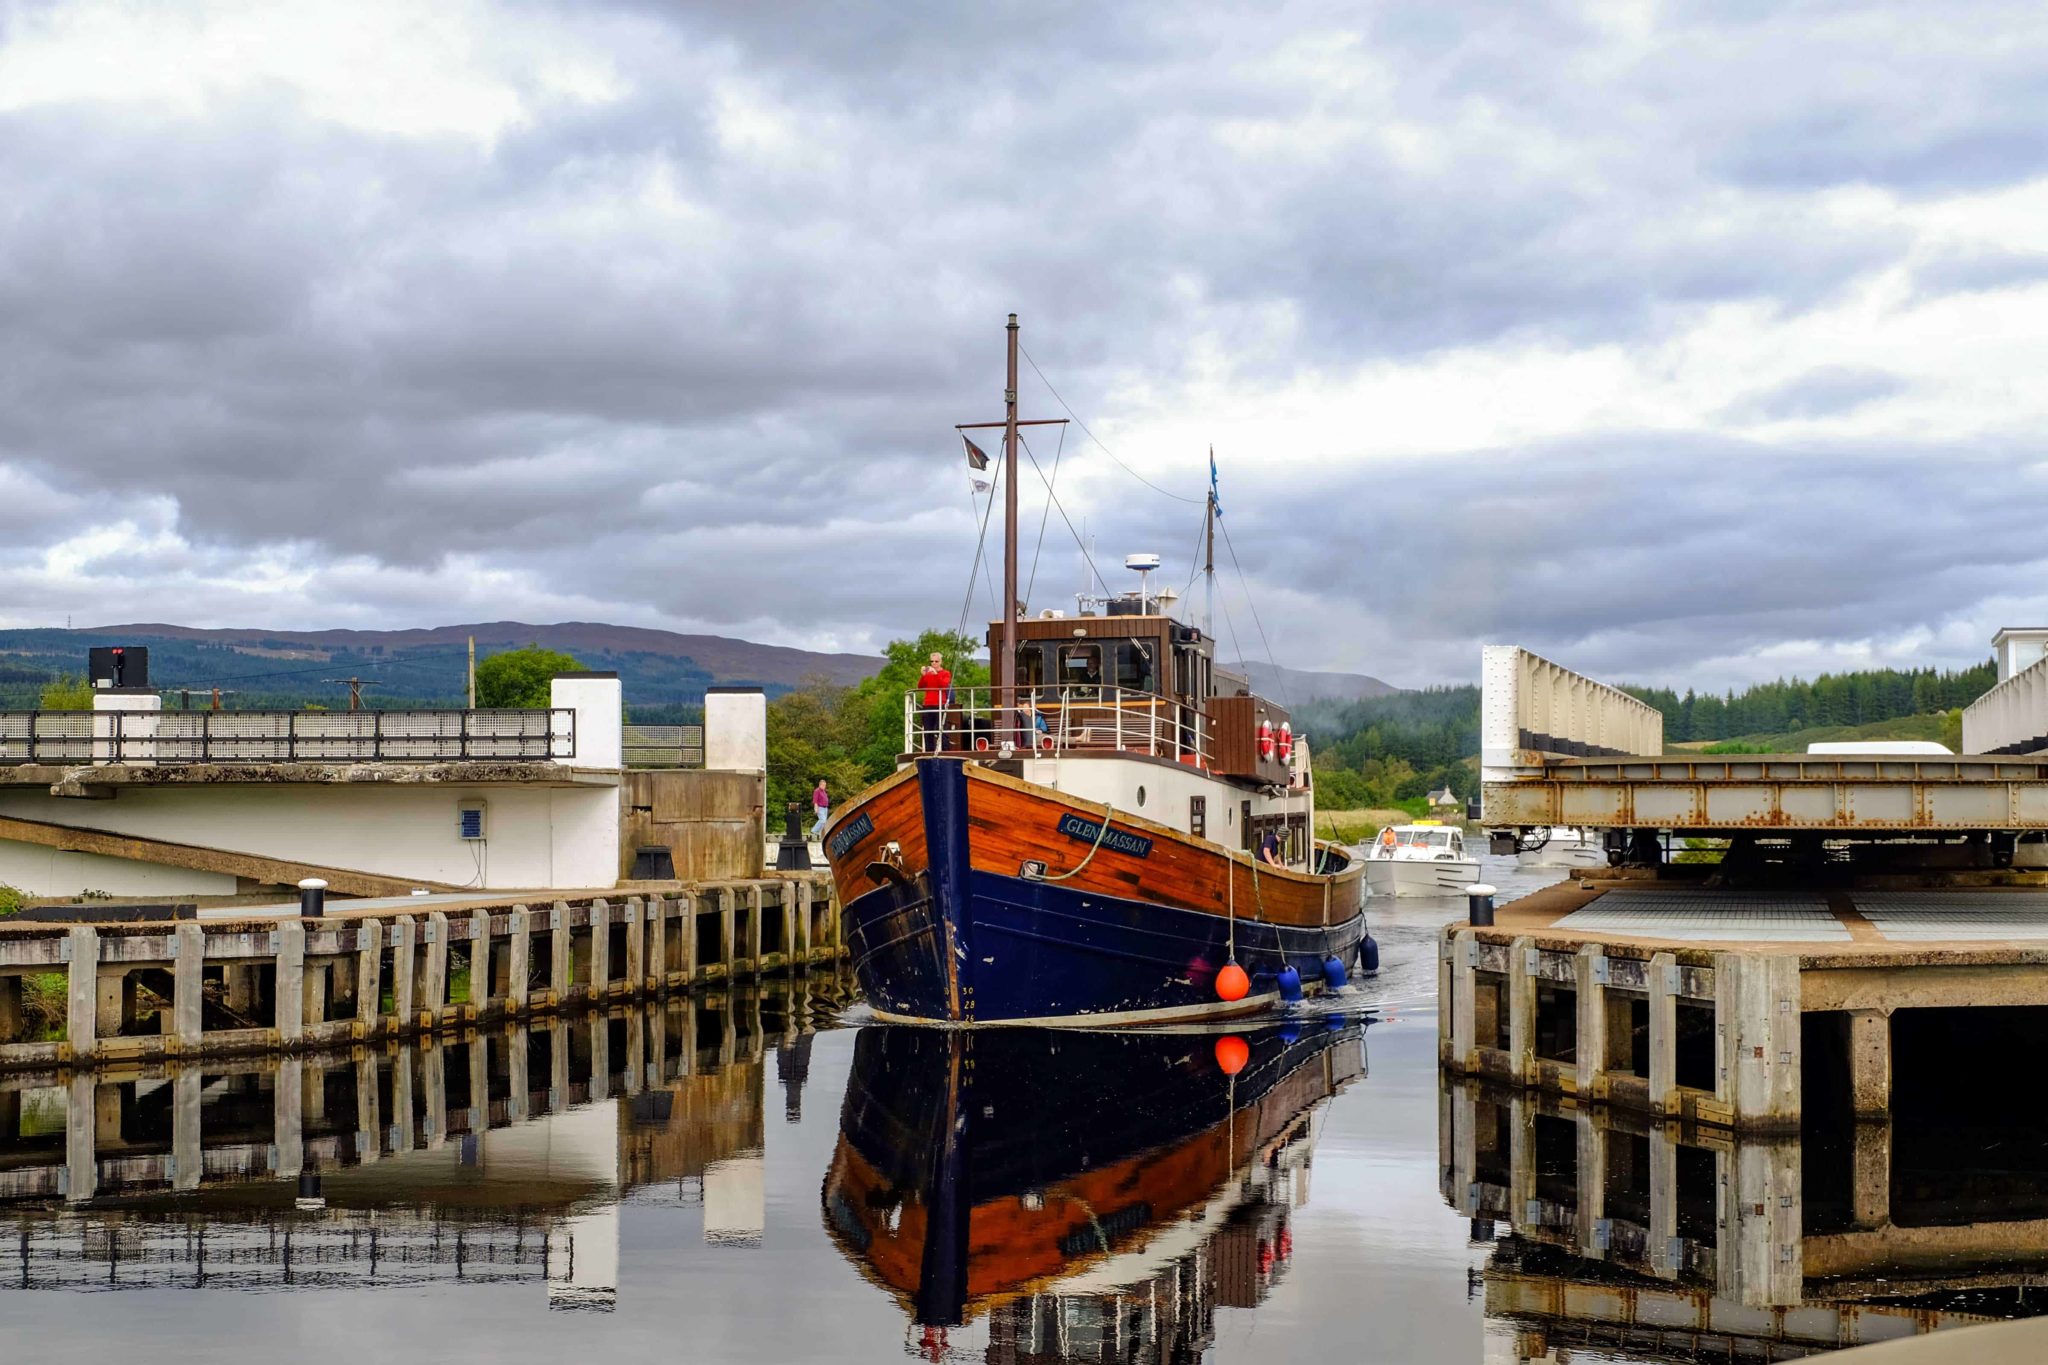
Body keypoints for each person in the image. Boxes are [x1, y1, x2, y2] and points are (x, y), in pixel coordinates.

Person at [916, 652, 952, 752]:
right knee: (928, 730)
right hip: (928, 704)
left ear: (941, 662)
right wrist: (923, 675)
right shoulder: (928, 674)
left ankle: (946, 751)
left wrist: (936, 674)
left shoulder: (946, 673)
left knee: (943, 729)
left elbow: (943, 685)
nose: (934, 663)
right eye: (932, 661)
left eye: (936, 661)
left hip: (940, 704)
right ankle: (929, 751)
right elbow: (920, 686)